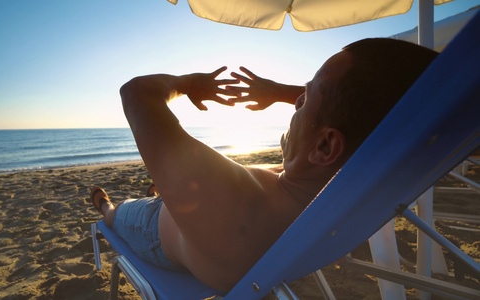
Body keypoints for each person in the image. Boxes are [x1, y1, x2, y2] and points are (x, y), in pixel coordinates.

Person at [90, 38, 438, 292]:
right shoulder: (345, 187)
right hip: (201, 213)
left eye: (304, 97)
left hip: (154, 228)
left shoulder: (235, 201)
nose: (295, 100)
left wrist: (190, 83)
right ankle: (163, 188)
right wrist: (286, 93)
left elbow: (136, 93)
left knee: (121, 212)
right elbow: (375, 114)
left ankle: (106, 205)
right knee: (170, 188)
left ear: (325, 145)